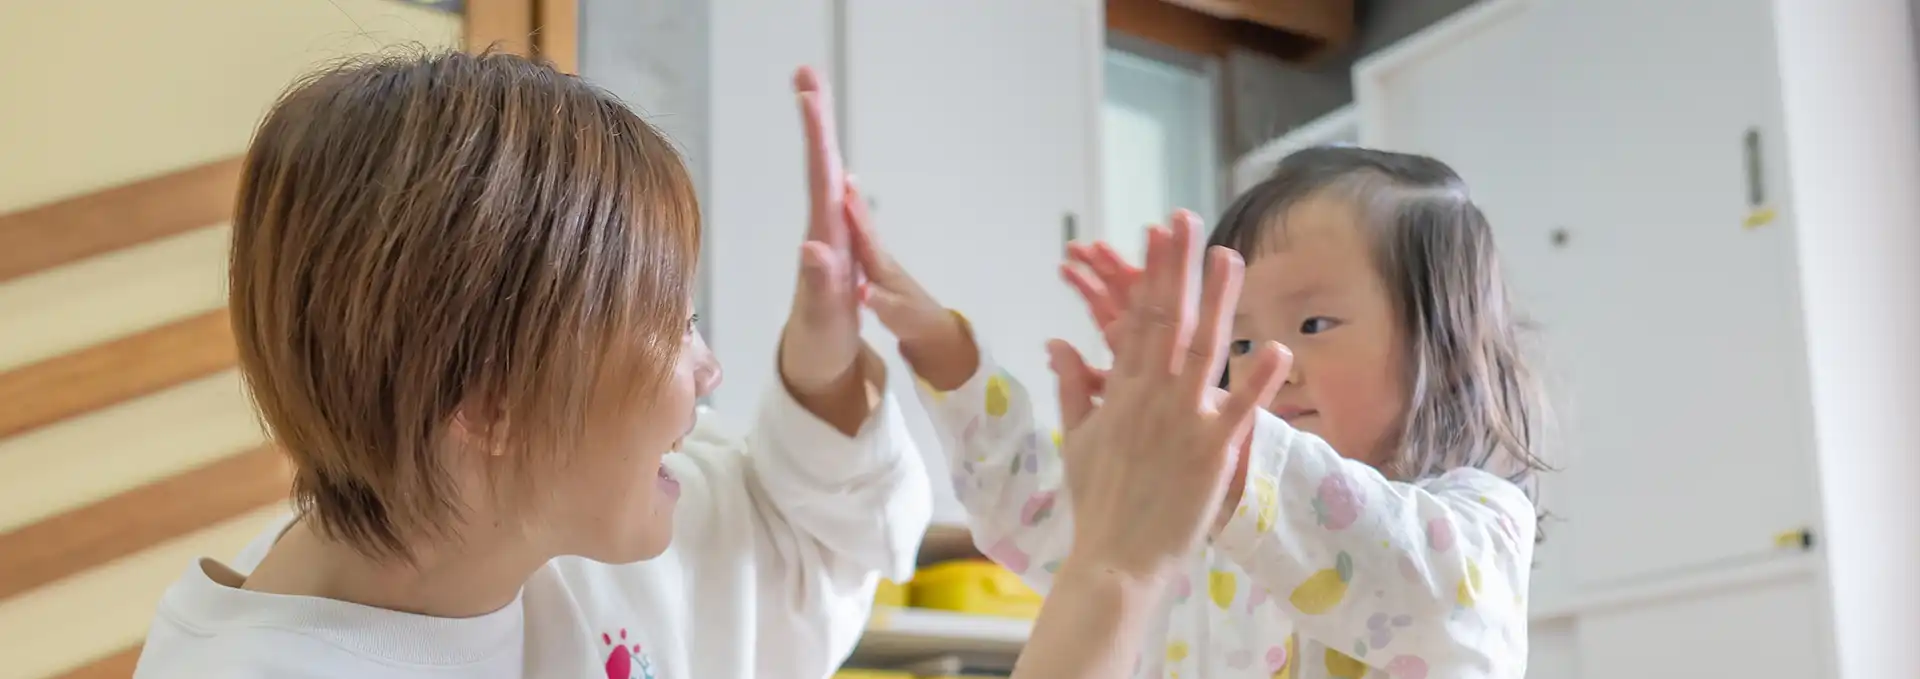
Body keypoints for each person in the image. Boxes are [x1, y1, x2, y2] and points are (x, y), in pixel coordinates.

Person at [124, 48, 1282, 679]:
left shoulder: (517, 519)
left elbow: (792, 543)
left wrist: (826, 359)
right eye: (671, 324)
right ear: (494, 399)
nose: (708, 368)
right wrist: (1116, 575)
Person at [852, 147, 1548, 678]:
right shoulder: (1196, 539)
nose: (1270, 361)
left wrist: (1215, 428)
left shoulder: (1478, 523)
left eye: (1315, 323)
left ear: (1448, 349)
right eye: (1239, 340)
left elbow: (1401, 576)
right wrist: (946, 355)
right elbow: (1048, 519)